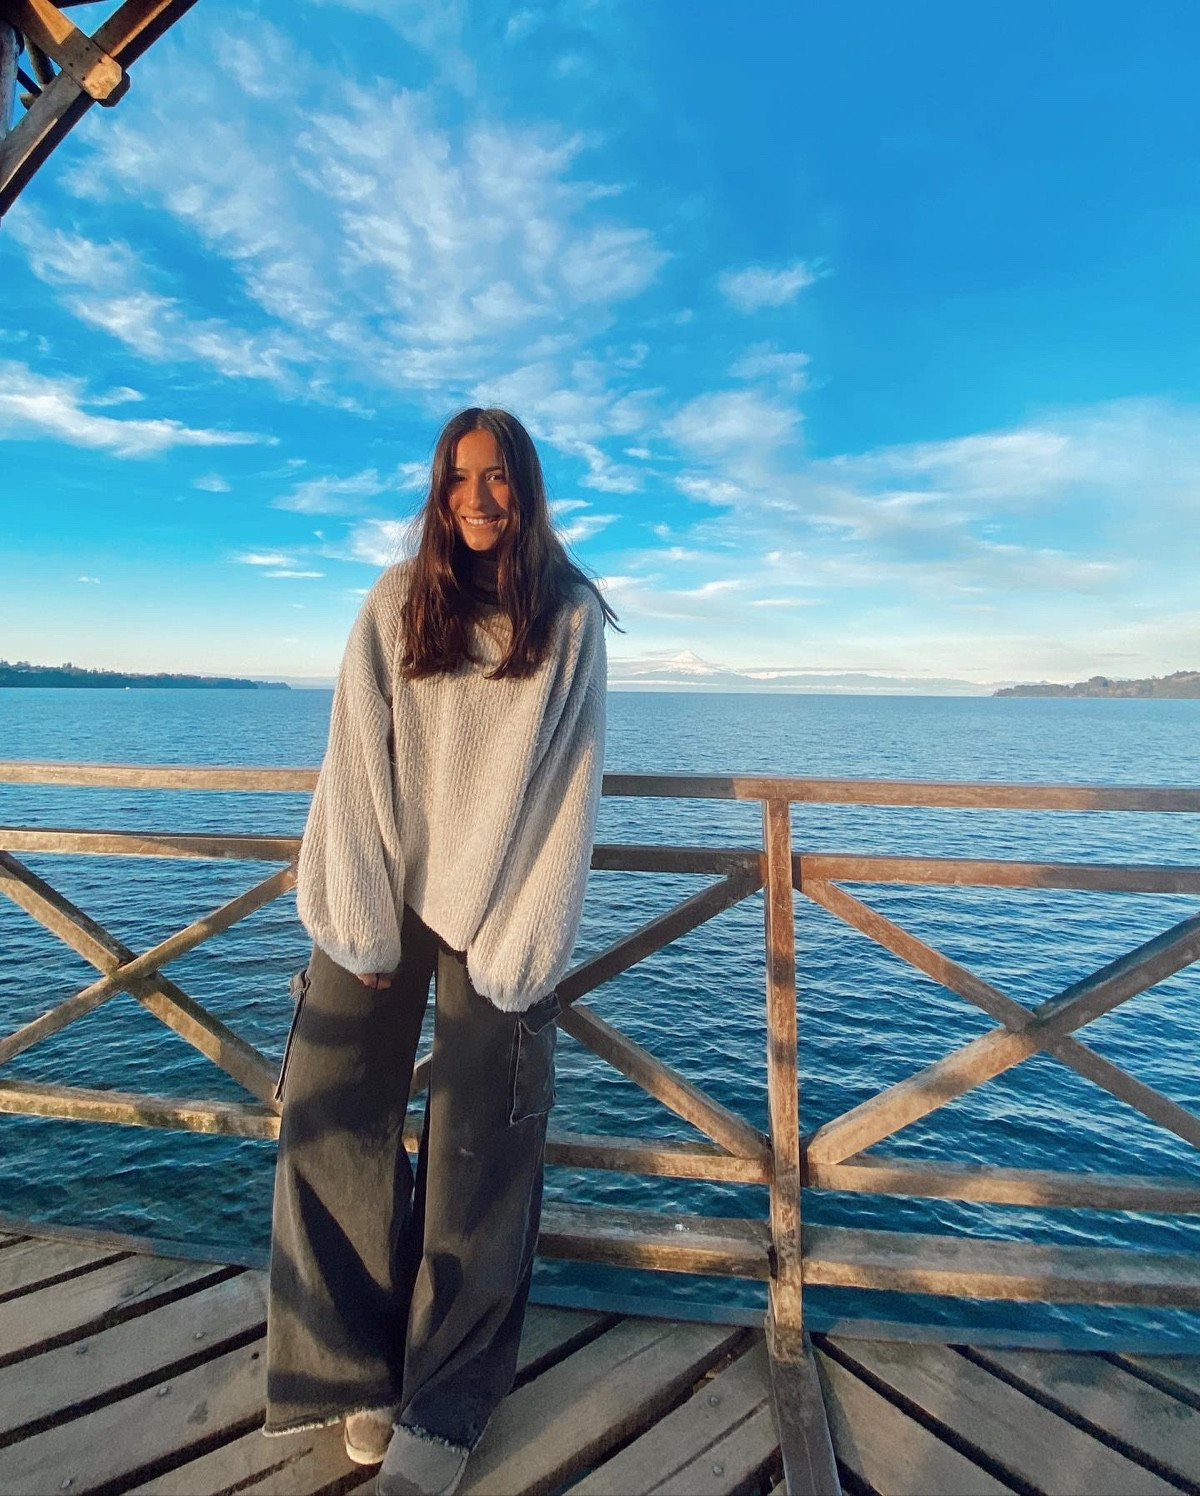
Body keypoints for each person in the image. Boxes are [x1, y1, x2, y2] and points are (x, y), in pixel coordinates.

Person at [262, 407, 614, 1496]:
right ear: (437, 489)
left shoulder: (569, 618)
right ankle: (349, 1368)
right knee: (328, 1111)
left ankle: (444, 1401)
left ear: (527, 488)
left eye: (497, 476)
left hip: (503, 906)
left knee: (480, 1147)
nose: (477, 497)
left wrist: (520, 941)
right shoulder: (395, 601)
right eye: (459, 477)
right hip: (381, 887)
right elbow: (353, 758)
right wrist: (362, 919)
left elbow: (568, 788)